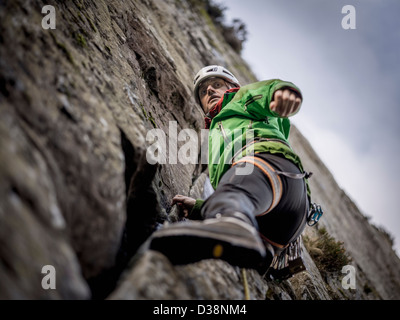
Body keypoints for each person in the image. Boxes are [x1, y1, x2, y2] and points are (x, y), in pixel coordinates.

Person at [149, 65, 311, 271]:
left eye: (217, 85)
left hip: (274, 170)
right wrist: (203, 208)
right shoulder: (213, 140)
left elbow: (264, 92)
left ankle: (234, 222)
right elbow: (233, 189)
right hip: (277, 225)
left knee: (237, 182)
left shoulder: (240, 99)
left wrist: (282, 93)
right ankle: (237, 228)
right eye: (203, 91)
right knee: (230, 189)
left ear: (232, 87)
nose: (209, 91)